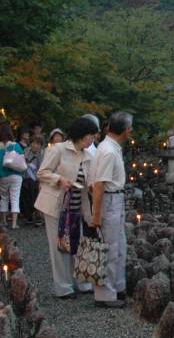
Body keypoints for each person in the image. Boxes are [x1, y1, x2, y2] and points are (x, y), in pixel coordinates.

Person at [35, 116, 100, 299]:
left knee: (78, 242)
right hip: (56, 204)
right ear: (82, 135)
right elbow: (42, 172)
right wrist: (59, 179)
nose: (92, 141)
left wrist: (90, 213)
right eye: (91, 137)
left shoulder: (88, 156)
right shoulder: (59, 149)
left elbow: (88, 185)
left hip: (76, 205)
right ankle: (63, 287)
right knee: (60, 245)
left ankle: (82, 281)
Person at [89, 111, 134, 309]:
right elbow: (99, 184)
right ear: (125, 130)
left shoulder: (110, 147)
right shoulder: (108, 151)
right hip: (109, 200)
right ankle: (105, 293)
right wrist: (96, 215)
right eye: (130, 128)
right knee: (109, 247)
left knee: (119, 245)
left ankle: (117, 285)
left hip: (115, 199)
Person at [0, 124, 25, 229]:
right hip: (16, 175)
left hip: (1, 176)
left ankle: (4, 221)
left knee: (4, 197)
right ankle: (14, 224)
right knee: (15, 198)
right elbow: (22, 159)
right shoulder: (16, 145)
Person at [21, 135, 45, 226]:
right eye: (34, 143)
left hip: (38, 178)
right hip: (26, 177)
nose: (36, 145)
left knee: (37, 197)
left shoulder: (42, 153)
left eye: (38, 143)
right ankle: (29, 215)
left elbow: (43, 167)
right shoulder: (26, 151)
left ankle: (38, 216)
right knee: (27, 196)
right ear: (31, 143)